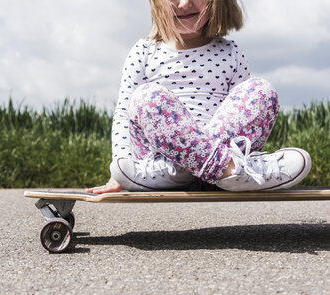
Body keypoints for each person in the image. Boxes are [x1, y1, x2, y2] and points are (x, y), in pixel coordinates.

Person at [87, 0, 311, 194]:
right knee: (145, 97)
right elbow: (124, 114)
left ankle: (218, 169)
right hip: (161, 165)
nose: (185, 3)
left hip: (221, 147)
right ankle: (229, 170)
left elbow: (243, 118)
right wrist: (119, 168)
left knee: (261, 90)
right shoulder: (144, 51)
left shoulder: (231, 52)